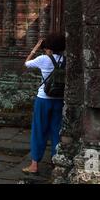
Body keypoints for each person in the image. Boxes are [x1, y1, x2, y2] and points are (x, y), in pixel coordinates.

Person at [22, 33, 66, 175]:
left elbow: (26, 63)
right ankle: (56, 163)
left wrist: (35, 48)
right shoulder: (65, 60)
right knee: (56, 131)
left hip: (43, 99)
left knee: (39, 130)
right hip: (59, 100)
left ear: (48, 47)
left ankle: (34, 165)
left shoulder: (43, 59)